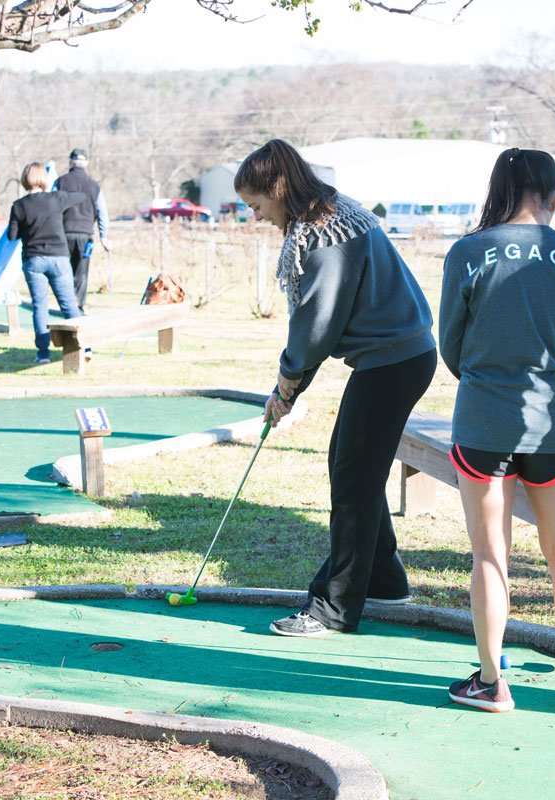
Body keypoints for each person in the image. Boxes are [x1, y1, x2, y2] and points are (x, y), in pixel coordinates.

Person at [438, 147, 555, 713]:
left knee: (489, 552)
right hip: (554, 427)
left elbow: (451, 346)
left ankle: (492, 684)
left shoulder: (466, 253)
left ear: (497, 192)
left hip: (481, 422)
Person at [235, 139, 437, 638]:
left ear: (278, 190)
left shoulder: (323, 233)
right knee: (352, 470)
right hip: (396, 358)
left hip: (395, 361)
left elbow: (317, 326)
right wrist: (291, 386)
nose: (256, 217)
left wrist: (286, 385)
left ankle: (334, 608)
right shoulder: (333, 210)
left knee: (352, 480)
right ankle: (385, 580)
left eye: (257, 206)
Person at [7, 162, 87, 364]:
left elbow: (11, 236)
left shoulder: (18, 206)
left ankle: (43, 353)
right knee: (68, 304)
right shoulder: (56, 198)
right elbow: (81, 197)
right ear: (44, 179)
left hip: (33, 260)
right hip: (59, 257)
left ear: (25, 180)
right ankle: (84, 347)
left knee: (40, 306)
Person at [55, 148, 111, 314]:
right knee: (81, 272)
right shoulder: (94, 186)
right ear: (86, 163)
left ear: (70, 162)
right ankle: (78, 305)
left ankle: (66, 305)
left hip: (63, 234)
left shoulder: (60, 182)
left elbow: (52, 206)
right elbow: (102, 212)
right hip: (85, 235)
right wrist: (104, 236)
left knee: (65, 270)